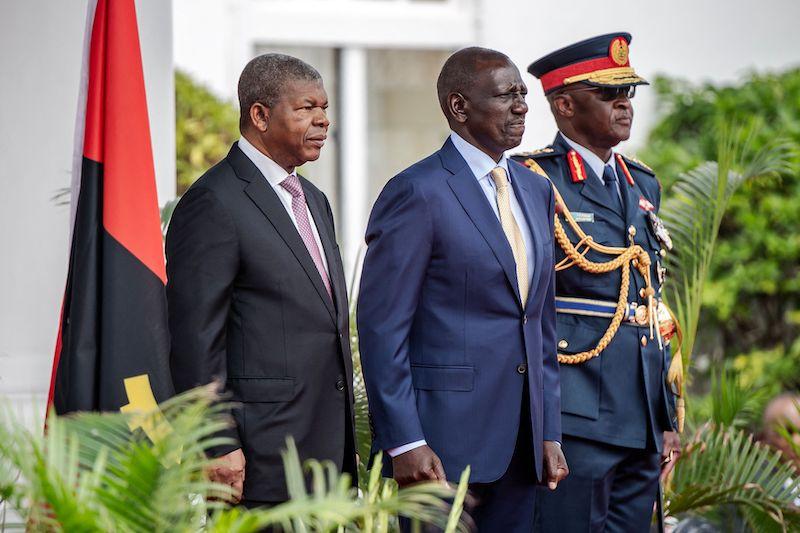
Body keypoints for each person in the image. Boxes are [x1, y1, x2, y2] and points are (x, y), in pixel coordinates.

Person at [358, 47, 567, 532]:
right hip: (440, 452)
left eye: (522, 94)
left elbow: (539, 322)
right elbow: (382, 329)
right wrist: (405, 442)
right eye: (505, 95)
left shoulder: (535, 191)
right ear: (459, 107)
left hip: (521, 447)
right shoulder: (418, 191)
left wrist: (548, 429)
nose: (521, 107)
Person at [166, 53, 356, 507]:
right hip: (258, 457)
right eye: (306, 108)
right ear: (259, 115)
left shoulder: (313, 198)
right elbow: (194, 338)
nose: (323, 121)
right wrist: (215, 443)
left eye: (325, 109)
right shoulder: (213, 202)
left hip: (325, 451)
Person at [510, 33, 681, 531]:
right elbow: (527, 301)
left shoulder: (642, 182)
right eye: (608, 95)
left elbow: (650, 301)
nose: (625, 104)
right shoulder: (535, 179)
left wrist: (666, 418)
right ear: (564, 105)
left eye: (628, 93)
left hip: (642, 411)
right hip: (578, 411)